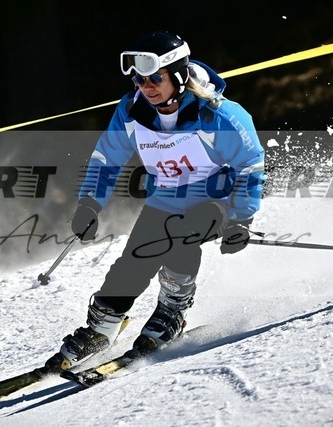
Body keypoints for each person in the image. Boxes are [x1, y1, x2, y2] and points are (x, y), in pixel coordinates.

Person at [44, 30, 265, 371]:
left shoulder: (217, 115)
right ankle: (103, 326)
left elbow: (249, 164)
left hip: (215, 202)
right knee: (134, 261)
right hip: (165, 198)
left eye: (155, 78)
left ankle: (173, 309)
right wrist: (90, 204)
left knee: (182, 233)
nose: (146, 87)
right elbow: (107, 159)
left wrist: (241, 219)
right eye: (139, 79)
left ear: (178, 75)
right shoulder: (131, 111)